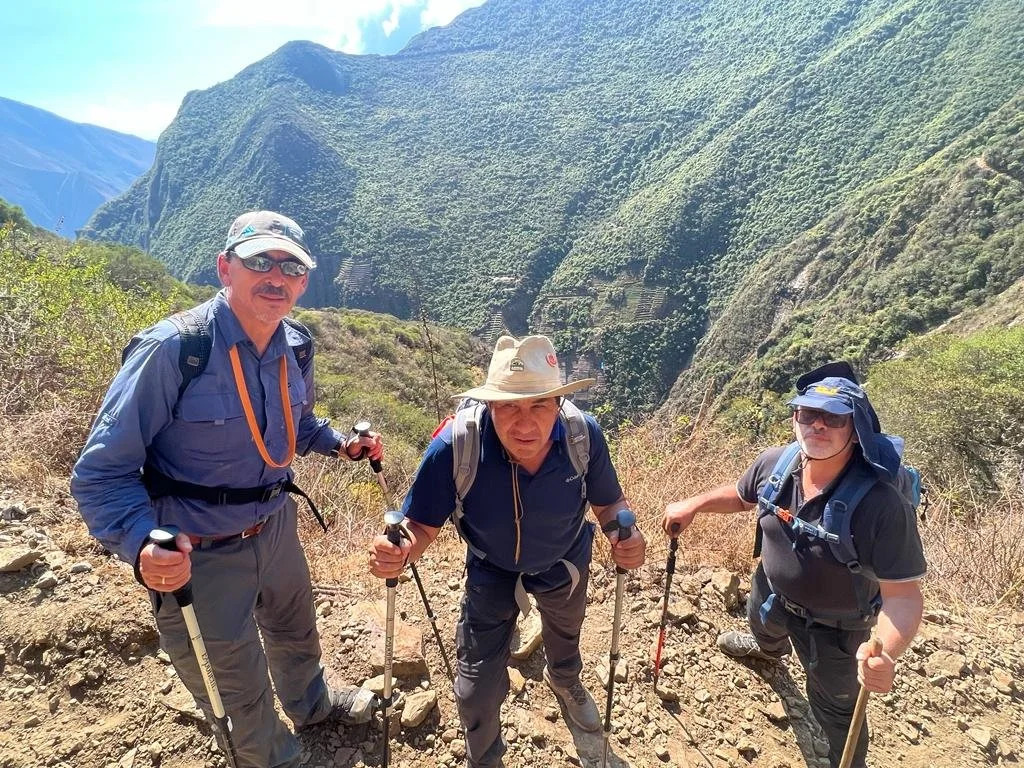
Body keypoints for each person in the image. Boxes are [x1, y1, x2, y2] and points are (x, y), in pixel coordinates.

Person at [72, 210, 383, 768]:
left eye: (290, 267)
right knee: (231, 679)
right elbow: (100, 473)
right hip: (201, 549)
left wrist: (340, 444)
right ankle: (272, 758)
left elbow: (297, 424)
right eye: (259, 261)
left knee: (295, 626)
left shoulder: (296, 345)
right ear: (226, 268)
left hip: (275, 523)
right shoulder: (175, 351)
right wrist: (143, 542)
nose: (275, 276)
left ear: (304, 281)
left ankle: (312, 703)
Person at [369, 334, 646, 768]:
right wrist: (398, 552)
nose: (525, 424)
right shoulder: (455, 447)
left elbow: (609, 503)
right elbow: (420, 524)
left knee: (566, 629)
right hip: (491, 569)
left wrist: (622, 534)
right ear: (489, 406)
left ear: (557, 404)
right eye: (509, 407)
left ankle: (565, 677)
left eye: (538, 405)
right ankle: (486, 758)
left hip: (564, 561)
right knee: (475, 691)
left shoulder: (582, 436)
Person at [662, 362, 925, 768]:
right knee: (762, 626)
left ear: (855, 431)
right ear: (794, 418)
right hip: (770, 590)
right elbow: (742, 495)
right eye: (808, 414)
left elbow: (903, 596)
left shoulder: (881, 505)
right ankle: (768, 651)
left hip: (836, 631)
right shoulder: (776, 463)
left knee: (837, 712)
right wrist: (695, 504)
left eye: (834, 418)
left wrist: (885, 653)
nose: (818, 426)